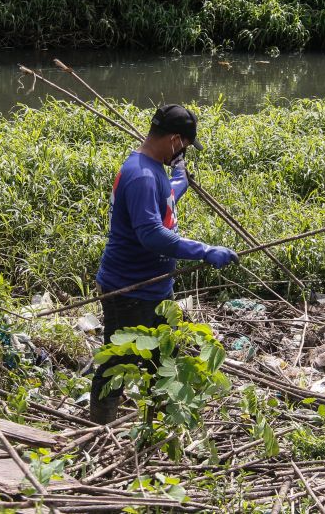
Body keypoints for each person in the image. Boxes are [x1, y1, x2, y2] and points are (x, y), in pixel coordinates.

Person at [90, 104, 238, 424]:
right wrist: (204, 250)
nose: (184, 151)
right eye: (184, 145)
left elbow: (160, 201)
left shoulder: (151, 167)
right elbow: (152, 235)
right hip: (129, 289)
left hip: (155, 288)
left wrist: (178, 181)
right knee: (118, 361)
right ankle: (99, 427)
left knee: (163, 360)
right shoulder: (140, 174)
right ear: (173, 139)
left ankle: (156, 425)